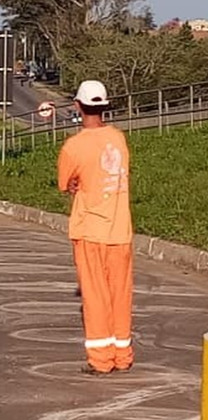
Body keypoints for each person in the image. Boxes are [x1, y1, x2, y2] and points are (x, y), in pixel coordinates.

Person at [57, 80, 134, 377]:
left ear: (78, 106)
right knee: (120, 294)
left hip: (90, 229)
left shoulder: (74, 146)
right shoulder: (118, 138)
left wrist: (77, 183)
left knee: (95, 296)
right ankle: (122, 355)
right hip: (120, 231)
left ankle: (101, 360)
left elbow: (66, 183)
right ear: (105, 106)